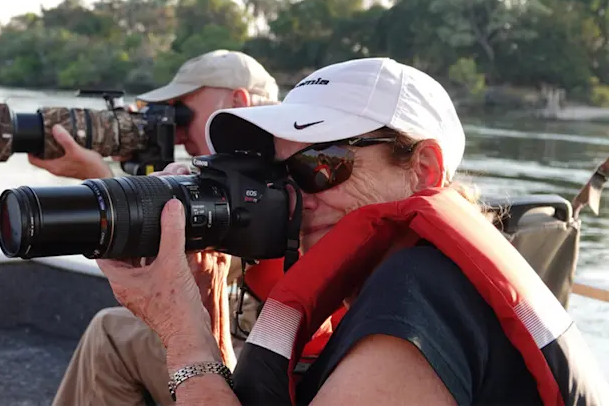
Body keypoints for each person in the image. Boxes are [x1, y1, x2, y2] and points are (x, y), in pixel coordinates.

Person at [96, 58, 609, 405]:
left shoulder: (414, 308)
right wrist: (208, 322)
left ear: (423, 169)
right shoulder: (410, 273)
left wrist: (182, 341)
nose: (295, 194)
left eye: (321, 164)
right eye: (280, 172)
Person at [45, 50, 292, 406]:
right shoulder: (263, 165)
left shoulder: (268, 184)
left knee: (112, 334)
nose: (176, 133)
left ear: (238, 101)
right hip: (265, 333)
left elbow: (173, 271)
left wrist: (100, 181)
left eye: (183, 113)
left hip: (277, 356)